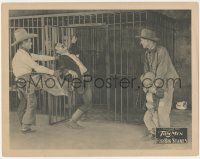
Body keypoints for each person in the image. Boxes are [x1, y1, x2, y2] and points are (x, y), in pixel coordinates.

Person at [12, 28, 61, 133]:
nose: (31, 43)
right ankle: (25, 126)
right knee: (32, 102)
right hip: (24, 80)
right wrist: (53, 72)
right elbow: (37, 67)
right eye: (29, 41)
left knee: (24, 103)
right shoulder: (22, 55)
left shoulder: (25, 53)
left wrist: (53, 58)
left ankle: (24, 124)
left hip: (21, 81)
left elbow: (40, 57)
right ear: (22, 43)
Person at [136, 28, 179, 128]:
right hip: (156, 82)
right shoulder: (147, 53)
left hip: (167, 82)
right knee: (153, 109)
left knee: (162, 110)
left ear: (148, 40)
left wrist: (153, 87)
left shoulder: (162, 51)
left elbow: (161, 74)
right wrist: (146, 84)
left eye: (142, 40)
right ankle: (155, 132)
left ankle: (165, 135)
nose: (140, 42)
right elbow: (147, 73)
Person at [55, 36, 92, 129]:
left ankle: (73, 120)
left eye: (61, 44)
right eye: (58, 46)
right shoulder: (61, 58)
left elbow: (70, 49)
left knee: (88, 102)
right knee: (87, 102)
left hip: (86, 76)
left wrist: (72, 43)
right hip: (79, 79)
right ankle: (72, 121)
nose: (61, 45)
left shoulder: (69, 53)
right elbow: (61, 69)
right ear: (58, 52)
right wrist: (69, 71)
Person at [140, 72, 162, 139]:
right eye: (145, 84)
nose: (146, 85)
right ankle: (152, 132)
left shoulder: (157, 88)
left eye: (148, 84)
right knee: (146, 119)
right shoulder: (147, 89)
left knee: (156, 120)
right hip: (149, 108)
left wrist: (155, 91)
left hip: (154, 108)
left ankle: (158, 134)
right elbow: (147, 98)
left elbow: (161, 94)